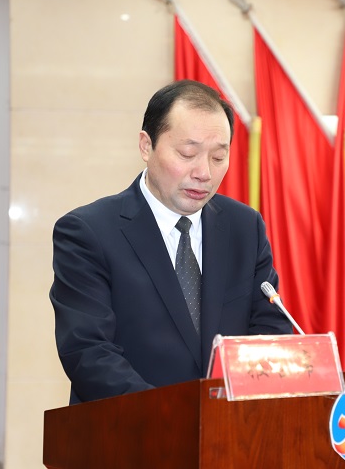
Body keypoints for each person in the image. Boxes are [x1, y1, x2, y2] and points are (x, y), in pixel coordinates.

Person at [50, 79, 292, 404]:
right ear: (146, 146)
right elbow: (88, 353)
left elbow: (270, 330)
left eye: (218, 157)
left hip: (228, 428)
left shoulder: (244, 227)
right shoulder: (88, 232)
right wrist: (174, 417)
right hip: (129, 427)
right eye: (187, 153)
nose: (204, 172)